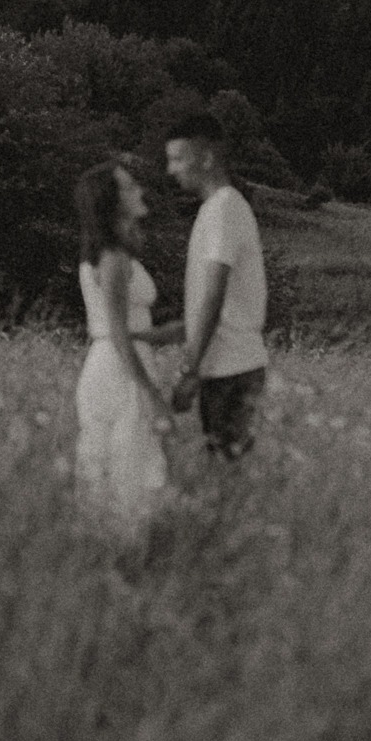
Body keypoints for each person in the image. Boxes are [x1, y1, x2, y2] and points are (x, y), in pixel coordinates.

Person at [74, 159, 174, 539]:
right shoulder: (113, 258)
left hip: (113, 360)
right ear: (111, 202)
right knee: (127, 475)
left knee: (119, 470)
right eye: (129, 187)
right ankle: (125, 562)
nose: (140, 191)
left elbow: (122, 328)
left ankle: (119, 562)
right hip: (117, 368)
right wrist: (152, 395)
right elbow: (117, 331)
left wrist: (162, 336)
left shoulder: (110, 253)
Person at [164, 112, 268, 460]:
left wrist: (189, 369)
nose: (171, 169)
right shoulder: (216, 209)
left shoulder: (224, 208)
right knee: (224, 472)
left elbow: (213, 295)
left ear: (207, 158)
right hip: (225, 366)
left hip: (231, 368)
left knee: (227, 476)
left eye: (178, 158)